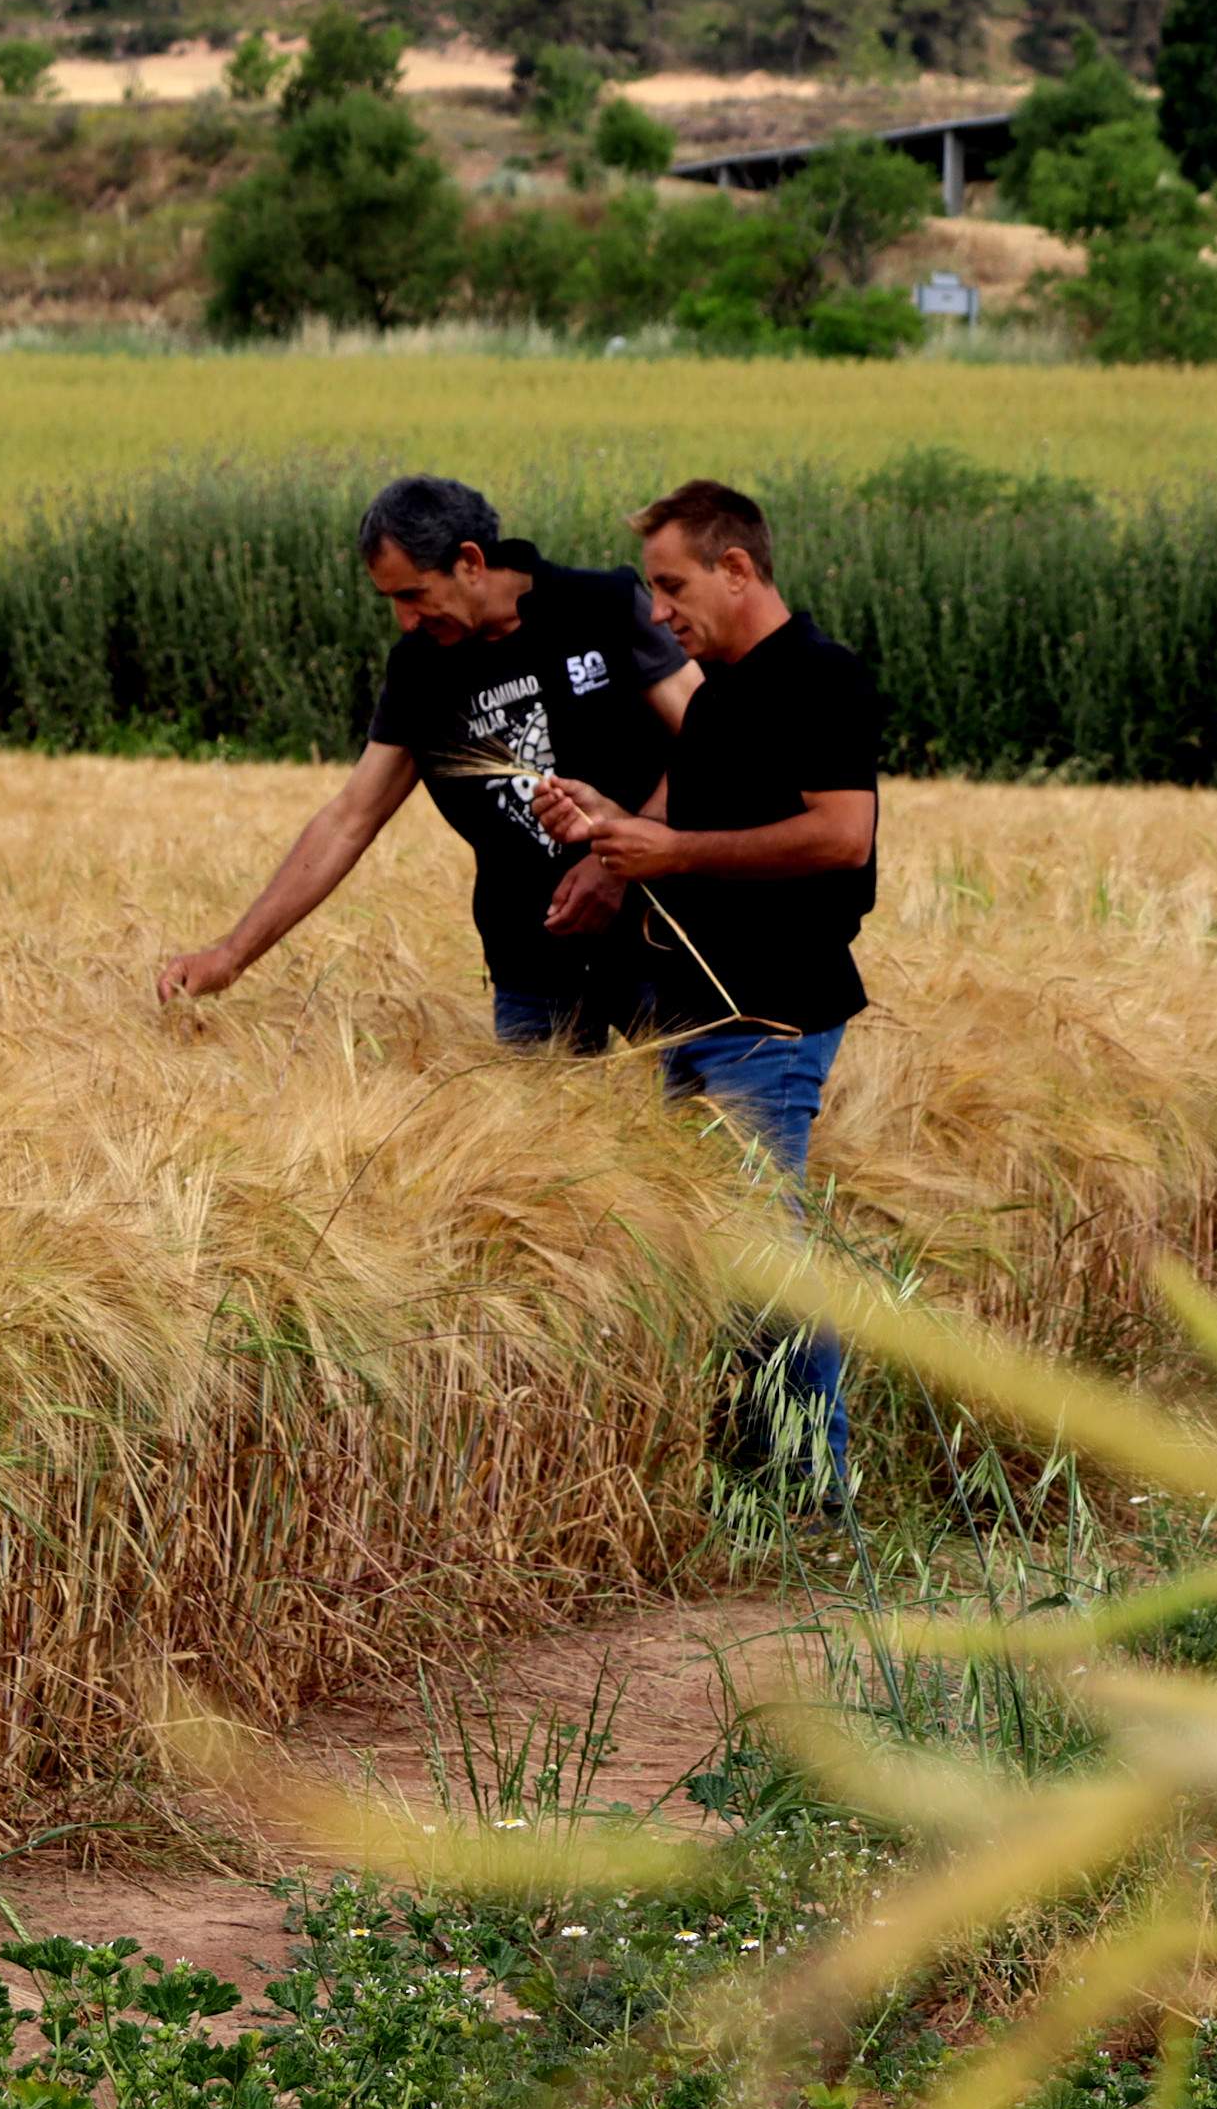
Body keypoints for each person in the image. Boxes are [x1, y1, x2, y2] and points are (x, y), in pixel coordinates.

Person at [530, 478, 881, 1505]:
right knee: (726, 1259)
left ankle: (818, 1491)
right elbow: (689, 831)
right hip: (696, 1013)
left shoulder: (821, 677)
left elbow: (841, 835)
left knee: (768, 1257)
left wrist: (671, 850)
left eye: (671, 584)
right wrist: (605, 821)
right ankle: (759, 1474)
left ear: (737, 568)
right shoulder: (721, 691)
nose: (657, 611)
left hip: (770, 1016)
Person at [155, 474, 694, 1044]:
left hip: (659, 937)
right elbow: (348, 820)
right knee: (537, 1127)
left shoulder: (601, 607)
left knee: (699, 1121)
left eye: (413, 595)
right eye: (391, 601)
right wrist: (232, 956)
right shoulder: (420, 671)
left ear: (469, 560)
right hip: (533, 966)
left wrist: (624, 855)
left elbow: (713, 741)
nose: (405, 621)